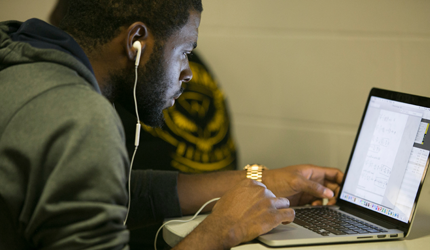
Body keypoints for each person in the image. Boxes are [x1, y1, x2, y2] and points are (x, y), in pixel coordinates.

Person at [0, 0, 344, 249]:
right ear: (137, 40)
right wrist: (220, 230)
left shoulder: (20, 58)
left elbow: (116, 190)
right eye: (185, 51)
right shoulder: (79, 114)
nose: (189, 73)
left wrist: (259, 180)